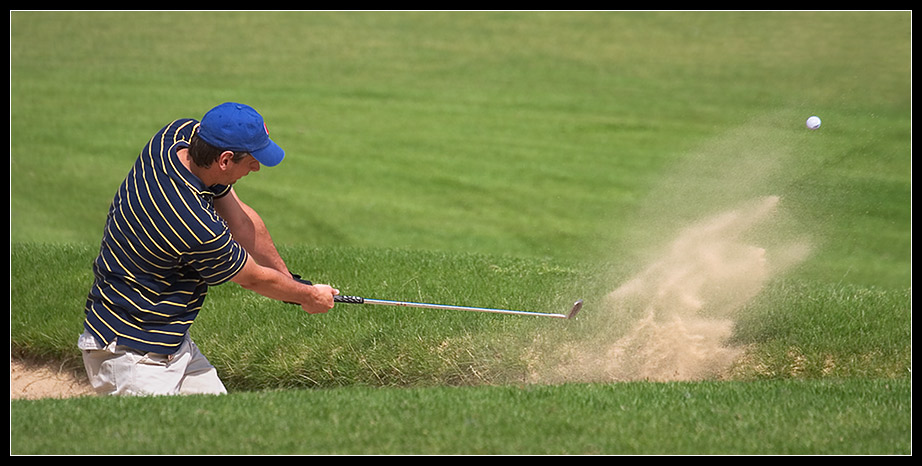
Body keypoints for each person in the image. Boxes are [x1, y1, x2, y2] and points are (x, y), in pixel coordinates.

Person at [78, 102, 339, 396]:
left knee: (219, 429)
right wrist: (308, 296)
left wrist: (293, 283)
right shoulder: (191, 223)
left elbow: (240, 221)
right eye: (252, 159)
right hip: (132, 353)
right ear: (225, 160)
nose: (256, 167)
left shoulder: (178, 136)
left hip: (173, 344)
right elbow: (253, 278)